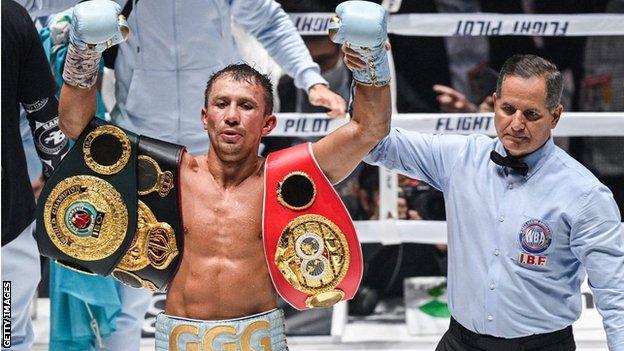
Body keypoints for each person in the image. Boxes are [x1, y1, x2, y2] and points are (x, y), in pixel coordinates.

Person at [52, 1, 390, 349]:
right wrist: (83, 56)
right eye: (221, 105)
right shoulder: (167, 176)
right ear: (206, 117)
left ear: (268, 124)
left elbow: (369, 129)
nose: (231, 116)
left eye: (245, 106)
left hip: (260, 340)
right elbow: (76, 127)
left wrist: (370, 64)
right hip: (180, 338)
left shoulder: (283, 179)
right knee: (127, 301)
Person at [346, 52, 624, 350]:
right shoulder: (460, 158)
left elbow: (614, 292)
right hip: (460, 341)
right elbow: (375, 143)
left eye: (531, 114)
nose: (516, 124)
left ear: (554, 116)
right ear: (494, 103)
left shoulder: (585, 194)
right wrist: (369, 73)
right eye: (507, 109)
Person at [17, 0, 347, 155]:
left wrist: (311, 79)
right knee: (135, 266)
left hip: (219, 133)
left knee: (223, 260)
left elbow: (269, 22)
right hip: (140, 133)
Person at [1, 1, 70, 349]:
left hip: (8, 226)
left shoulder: (10, 17)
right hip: (8, 230)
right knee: (8, 338)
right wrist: (59, 184)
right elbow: (45, 117)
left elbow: (45, 117)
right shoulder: (10, 15)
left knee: (8, 336)